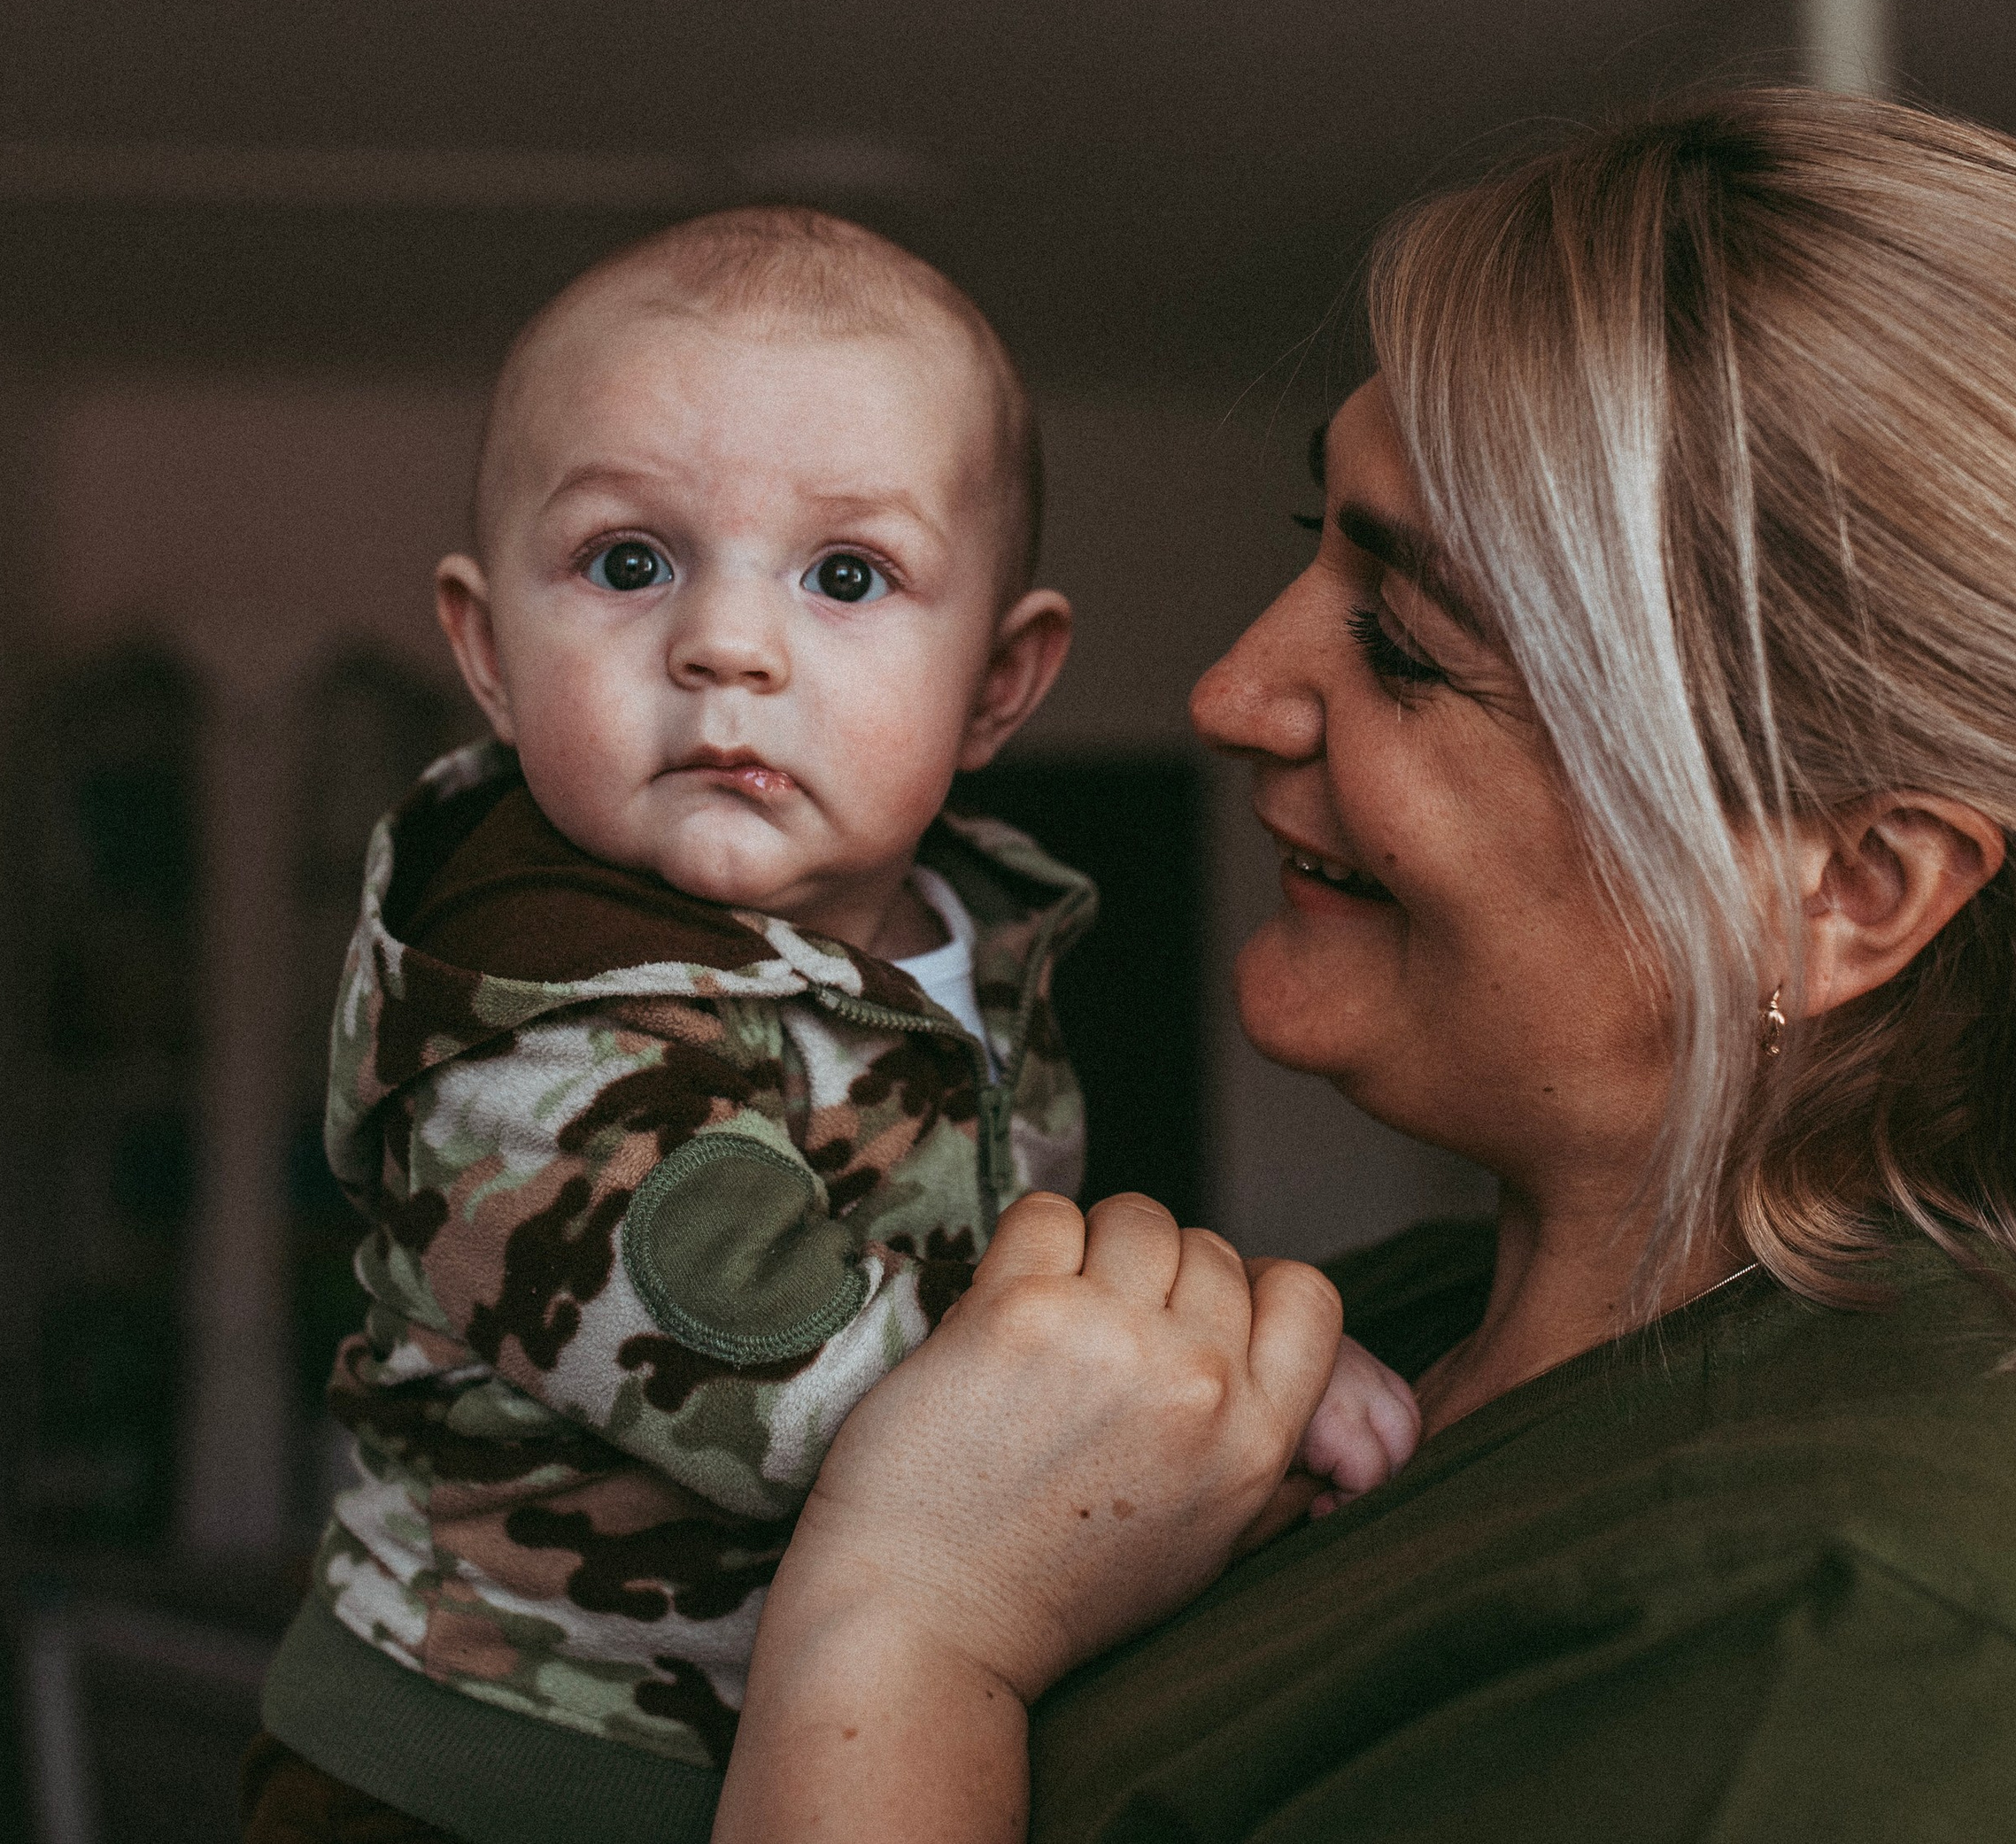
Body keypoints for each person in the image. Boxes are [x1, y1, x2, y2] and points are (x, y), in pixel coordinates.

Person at [709, 93, 2016, 1844]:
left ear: (1847, 886)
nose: (1229, 692)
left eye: (1405, 644)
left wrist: (906, 1631)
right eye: (1312, 545)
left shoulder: (1871, 1647)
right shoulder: (1395, 1335)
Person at [244, 210, 1420, 1843]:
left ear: (1000, 686)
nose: (726, 646)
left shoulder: (971, 940)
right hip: (488, 1770)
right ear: (489, 656)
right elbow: (768, 1358)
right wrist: (1215, 1402)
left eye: (846, 575)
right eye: (629, 563)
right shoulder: (534, 1016)